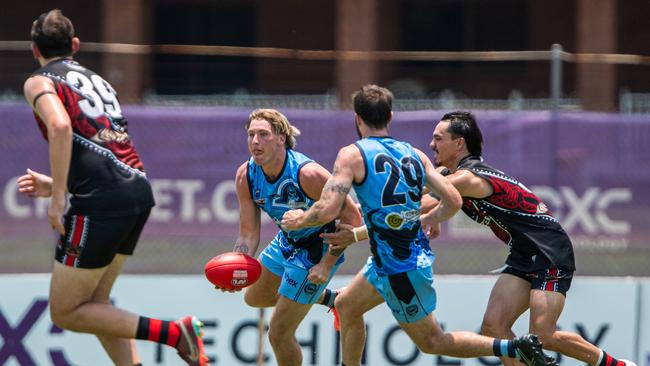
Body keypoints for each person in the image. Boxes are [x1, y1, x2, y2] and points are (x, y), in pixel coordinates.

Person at [325, 111, 637, 366]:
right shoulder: (453, 177)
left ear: (458, 144)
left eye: (438, 139)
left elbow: (409, 209)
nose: (431, 144)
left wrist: (354, 234)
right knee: (494, 329)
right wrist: (435, 221)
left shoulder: (467, 177)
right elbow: (420, 207)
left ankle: (615, 365)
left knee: (544, 334)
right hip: (523, 254)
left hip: (550, 251)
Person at [280, 85, 553, 366]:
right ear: (390, 116)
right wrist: (428, 219)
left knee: (433, 341)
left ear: (357, 119)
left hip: (400, 268)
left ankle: (513, 347)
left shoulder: (352, 155)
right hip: (390, 260)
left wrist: (297, 220)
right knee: (346, 305)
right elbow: (453, 199)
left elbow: (327, 208)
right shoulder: (415, 155)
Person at [18, 9, 207, 366]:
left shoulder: (39, 80)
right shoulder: (98, 79)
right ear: (74, 45)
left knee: (66, 312)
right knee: (95, 305)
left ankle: (174, 333)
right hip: (136, 187)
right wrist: (60, 184)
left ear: (34, 49)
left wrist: (58, 198)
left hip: (102, 201)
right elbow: (100, 146)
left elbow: (60, 128)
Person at [223, 108, 362, 366]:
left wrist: (327, 264)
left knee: (278, 334)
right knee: (253, 297)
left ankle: (321, 292)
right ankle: (333, 299)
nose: (255, 141)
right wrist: (236, 269)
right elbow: (248, 234)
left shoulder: (307, 174)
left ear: (281, 138)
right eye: (251, 134)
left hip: (317, 249)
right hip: (286, 242)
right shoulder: (246, 175)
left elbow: (353, 219)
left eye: (263, 134)